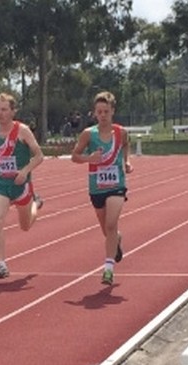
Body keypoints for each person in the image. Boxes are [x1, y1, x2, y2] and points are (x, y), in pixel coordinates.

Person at [70, 90, 132, 286]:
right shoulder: (89, 134)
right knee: (107, 229)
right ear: (94, 113)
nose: (103, 115)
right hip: (97, 187)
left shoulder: (120, 132)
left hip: (116, 185)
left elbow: (125, 146)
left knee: (112, 224)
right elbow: (74, 156)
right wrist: (89, 159)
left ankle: (108, 269)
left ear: (113, 111)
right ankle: (116, 240)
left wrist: (127, 162)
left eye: (106, 111)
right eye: (99, 112)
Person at [0, 92, 44, 279]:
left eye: (4, 109)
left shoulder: (22, 131)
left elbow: (39, 156)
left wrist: (25, 171)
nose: (0, 113)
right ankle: (1, 263)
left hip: (22, 187)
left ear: (12, 111)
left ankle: (35, 204)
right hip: (2, 185)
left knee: (25, 226)